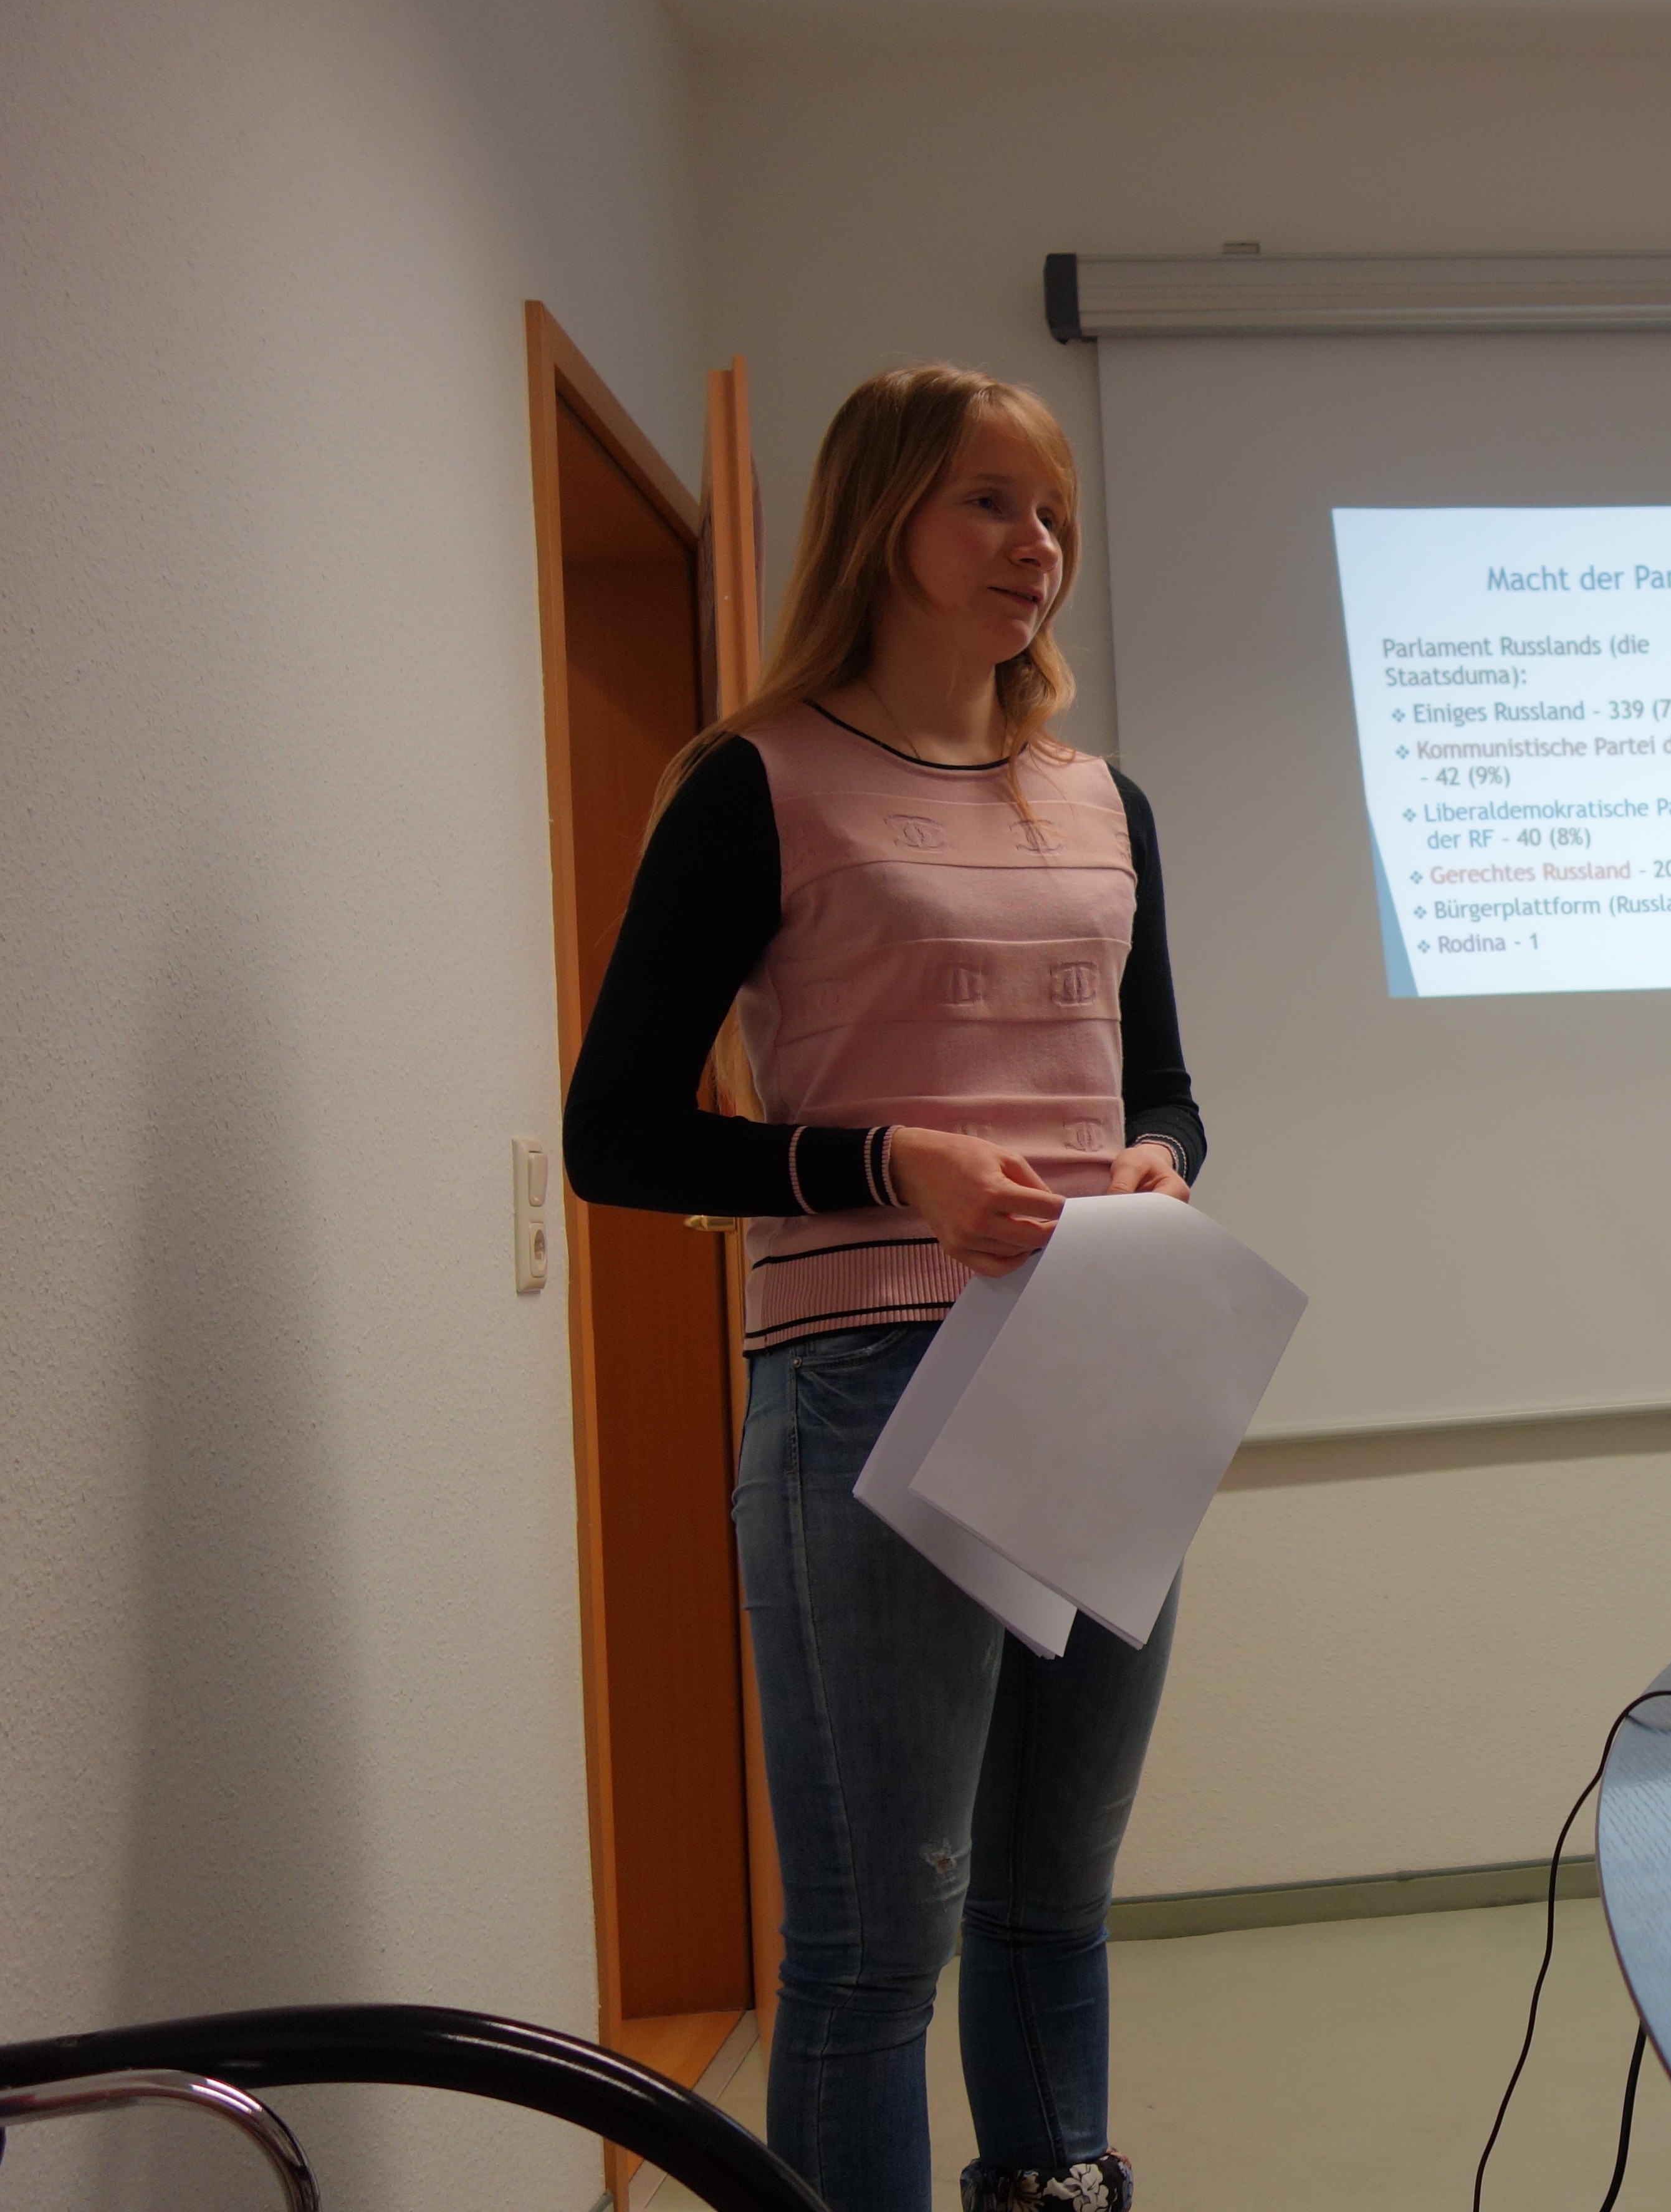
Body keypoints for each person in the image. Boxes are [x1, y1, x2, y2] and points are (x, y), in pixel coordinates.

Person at [563, 364, 1199, 2212]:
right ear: (881, 521)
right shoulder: (756, 783)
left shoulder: (1103, 801)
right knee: (872, 1945)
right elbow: (617, 1135)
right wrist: (886, 1160)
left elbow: (1167, 1085)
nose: (1037, 543)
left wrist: (1161, 1165)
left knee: (1050, 1905)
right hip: (867, 1382)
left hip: (1099, 1364)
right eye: (988, 502)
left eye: (1051, 508)